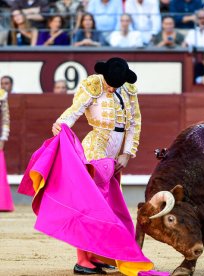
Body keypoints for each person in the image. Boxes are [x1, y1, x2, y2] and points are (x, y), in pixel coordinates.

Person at [51, 57, 141, 274]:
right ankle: (82, 259)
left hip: (115, 152)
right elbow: (75, 110)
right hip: (96, 147)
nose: (111, 88)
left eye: (115, 85)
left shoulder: (128, 88)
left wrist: (127, 153)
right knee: (91, 203)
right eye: (109, 83)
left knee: (108, 205)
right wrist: (60, 125)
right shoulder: (93, 84)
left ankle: (97, 254)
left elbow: (135, 122)